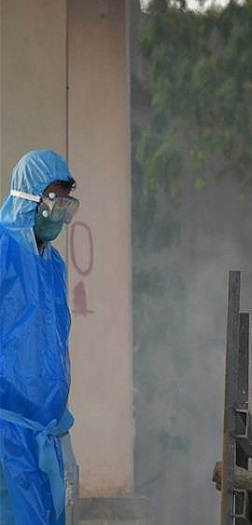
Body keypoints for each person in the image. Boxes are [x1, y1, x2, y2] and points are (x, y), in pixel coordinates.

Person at [0, 150, 79, 525]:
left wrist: (60, 423)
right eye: (54, 199)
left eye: (66, 202)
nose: (60, 211)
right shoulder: (3, 252)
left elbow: (55, 346)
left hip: (45, 434)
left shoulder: (54, 266)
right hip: (5, 434)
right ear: (28, 197)